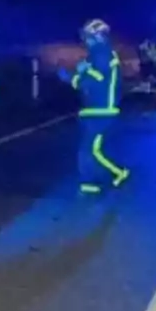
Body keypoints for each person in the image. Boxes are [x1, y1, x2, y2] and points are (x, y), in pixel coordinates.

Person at [60, 19, 130, 194]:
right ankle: (92, 182)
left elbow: (93, 82)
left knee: (90, 150)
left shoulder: (101, 54)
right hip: (95, 109)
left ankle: (115, 173)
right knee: (91, 149)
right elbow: (92, 78)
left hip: (101, 110)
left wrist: (70, 77)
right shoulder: (99, 54)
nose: (85, 40)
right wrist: (79, 73)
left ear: (98, 36)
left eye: (88, 36)